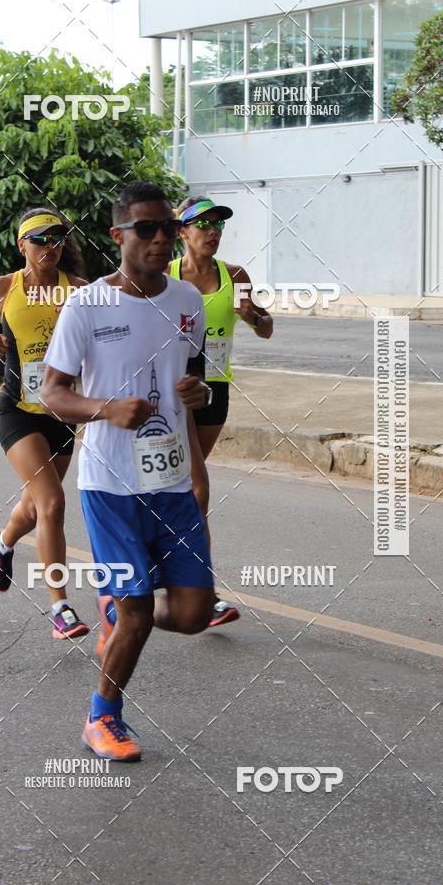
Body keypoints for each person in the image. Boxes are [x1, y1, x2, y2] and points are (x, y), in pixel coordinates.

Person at [42, 182, 216, 762]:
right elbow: (52, 393)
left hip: (170, 482)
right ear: (118, 236)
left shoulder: (188, 300)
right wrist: (105, 409)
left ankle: (116, 610)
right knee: (140, 610)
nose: (161, 238)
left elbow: (192, 378)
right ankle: (103, 717)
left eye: (167, 227)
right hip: (110, 484)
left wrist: (196, 398)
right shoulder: (87, 305)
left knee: (192, 615)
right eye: (146, 228)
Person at [0, 207, 90, 640]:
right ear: (22, 245)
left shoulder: (79, 290)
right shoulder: (2, 288)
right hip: (17, 412)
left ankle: (1, 542)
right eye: (40, 239)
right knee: (52, 503)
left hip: (62, 414)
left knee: (36, 507)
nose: (50, 246)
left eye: (57, 238)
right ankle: (61, 608)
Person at [169, 197, 274, 626]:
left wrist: (252, 315)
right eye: (203, 224)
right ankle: (205, 593)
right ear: (182, 231)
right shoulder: (165, 276)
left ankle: (166, 565)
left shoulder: (235, 276)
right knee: (197, 490)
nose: (212, 231)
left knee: (181, 487)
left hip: (215, 389)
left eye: (218, 225)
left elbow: (266, 329)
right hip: (174, 391)